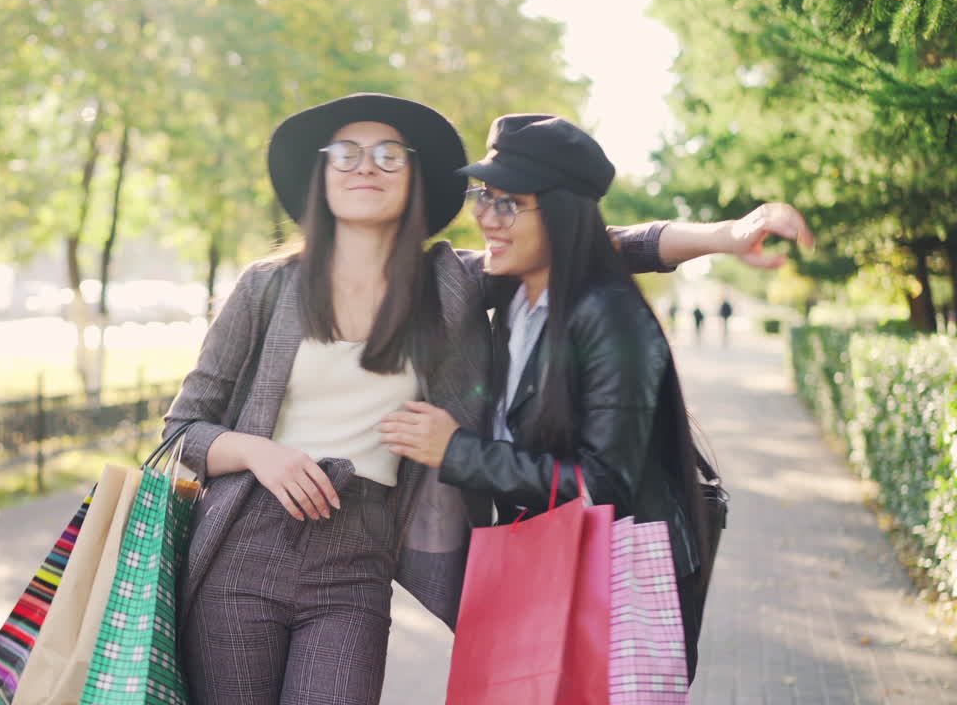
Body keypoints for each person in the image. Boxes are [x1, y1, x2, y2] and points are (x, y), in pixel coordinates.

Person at [164, 94, 810, 704]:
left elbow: (589, 241)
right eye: (345, 154)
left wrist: (725, 235)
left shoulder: (451, 282)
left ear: (415, 180)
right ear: (320, 179)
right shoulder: (266, 288)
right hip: (241, 546)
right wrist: (256, 453)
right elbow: (180, 430)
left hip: (356, 561)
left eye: (388, 154)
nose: (366, 167)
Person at [378, 114, 716, 681]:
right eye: (482, 196)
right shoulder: (516, 299)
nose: (486, 216)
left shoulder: (610, 317)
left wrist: (458, 451)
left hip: (612, 586)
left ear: (561, 214)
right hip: (538, 567)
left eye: (508, 202)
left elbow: (603, 485)